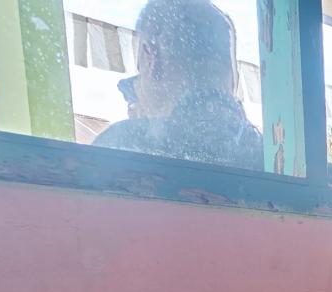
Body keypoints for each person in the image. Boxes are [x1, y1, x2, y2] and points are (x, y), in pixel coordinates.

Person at [93, 0, 263, 170]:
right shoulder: (270, 155)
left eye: (140, 69)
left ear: (151, 58)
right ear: (233, 77)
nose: (137, 87)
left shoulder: (119, 146)